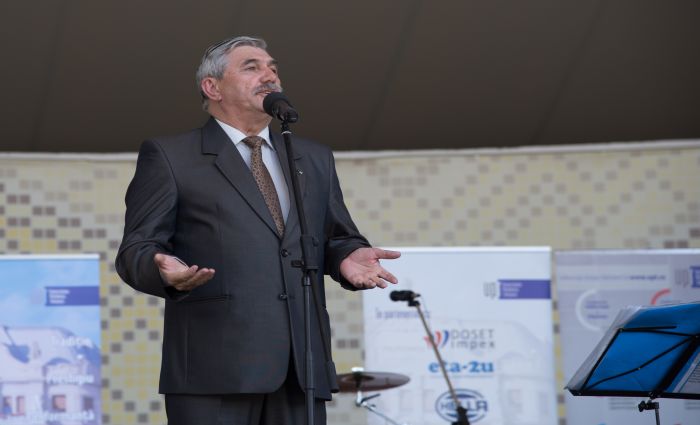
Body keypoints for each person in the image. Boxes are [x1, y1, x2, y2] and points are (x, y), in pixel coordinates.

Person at [115, 35, 400, 425]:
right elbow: (137, 248)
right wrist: (160, 268)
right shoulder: (171, 156)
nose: (269, 75)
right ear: (212, 87)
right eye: (252, 67)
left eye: (273, 68)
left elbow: (335, 235)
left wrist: (347, 255)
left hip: (301, 367)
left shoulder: (313, 157)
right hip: (214, 369)